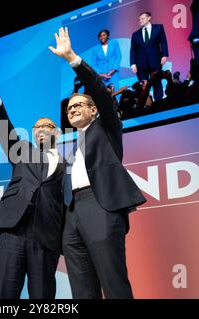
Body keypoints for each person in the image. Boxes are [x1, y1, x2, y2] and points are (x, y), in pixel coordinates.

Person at [49, 27, 146, 299]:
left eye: (79, 104)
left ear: (93, 110)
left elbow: (100, 92)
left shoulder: (106, 128)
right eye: (69, 108)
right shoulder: (70, 149)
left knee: (113, 284)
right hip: (72, 214)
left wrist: (73, 59)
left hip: (100, 205)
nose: (73, 109)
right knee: (81, 290)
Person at [0, 70, 65, 299]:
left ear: (56, 132)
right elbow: (3, 129)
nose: (40, 129)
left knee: (43, 297)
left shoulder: (69, 163)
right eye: (36, 127)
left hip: (47, 236)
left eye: (46, 125)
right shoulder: (23, 150)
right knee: (5, 296)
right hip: (14, 230)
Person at [130, 11, 168, 101]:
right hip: (140, 64)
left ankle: (159, 102)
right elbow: (133, 50)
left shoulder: (158, 28)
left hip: (155, 60)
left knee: (156, 82)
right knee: (144, 85)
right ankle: (147, 103)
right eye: (139, 19)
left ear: (149, 18)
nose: (140, 20)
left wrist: (165, 55)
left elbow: (163, 41)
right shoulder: (135, 34)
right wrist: (133, 64)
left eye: (142, 18)